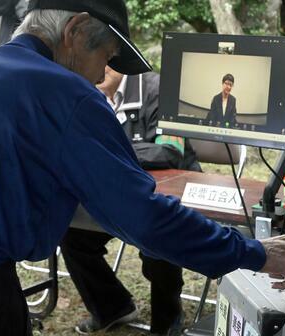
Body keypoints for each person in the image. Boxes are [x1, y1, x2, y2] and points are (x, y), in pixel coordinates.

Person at [0, 1, 285, 335]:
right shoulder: (66, 93)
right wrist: (252, 251)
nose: (100, 74)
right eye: (106, 57)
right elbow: (144, 219)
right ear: (75, 31)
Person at [61, 66, 200, 335]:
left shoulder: (161, 89)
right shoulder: (84, 92)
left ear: (117, 58)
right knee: (71, 232)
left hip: (165, 194)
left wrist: (109, 150)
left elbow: (170, 151)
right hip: (115, 194)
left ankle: (167, 318)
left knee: (157, 236)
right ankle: (112, 308)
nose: (95, 69)